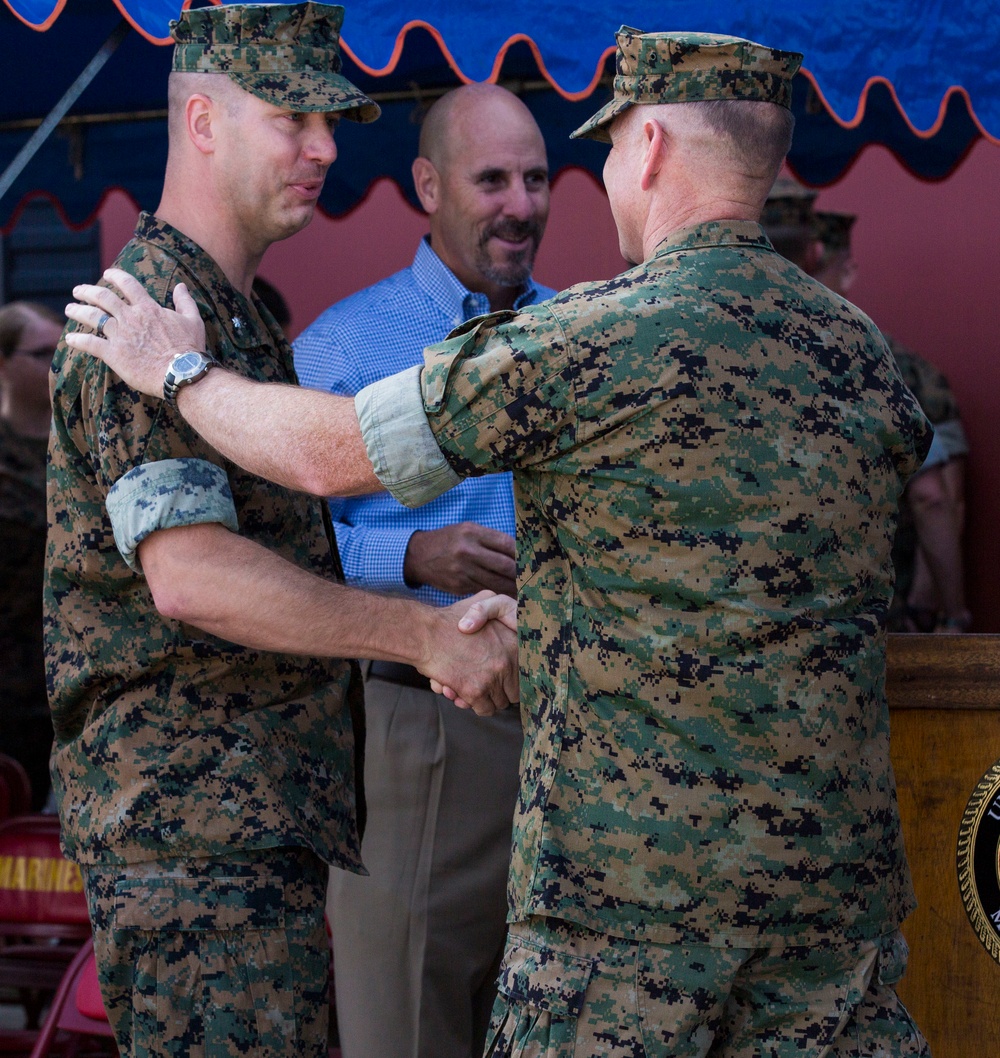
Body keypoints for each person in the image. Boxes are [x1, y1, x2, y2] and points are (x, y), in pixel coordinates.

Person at [66, 25, 934, 1057]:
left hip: (628, 909)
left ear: (646, 146)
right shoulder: (867, 361)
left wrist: (178, 374)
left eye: (597, 151)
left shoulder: (586, 337)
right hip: (829, 901)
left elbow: (325, 457)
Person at [44, 6, 517, 1058]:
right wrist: (421, 634)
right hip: (193, 842)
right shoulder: (137, 318)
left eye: (331, 119)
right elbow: (194, 575)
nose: (326, 147)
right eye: (294, 116)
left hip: (250, 829)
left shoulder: (234, 319)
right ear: (202, 119)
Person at [293, 82, 553, 1058]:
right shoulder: (340, 348)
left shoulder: (583, 340)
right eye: (492, 179)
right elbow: (279, 550)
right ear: (427, 186)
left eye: (536, 177)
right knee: (407, 1019)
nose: (520, 204)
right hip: (419, 722)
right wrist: (411, 553)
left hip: (578, 732)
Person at [812, 210, 972, 632]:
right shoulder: (885, 367)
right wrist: (945, 613)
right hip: (871, 618)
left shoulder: (904, 372)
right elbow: (937, 499)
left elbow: (942, 499)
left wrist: (925, 601)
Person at [0, 301, 61, 810]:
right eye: (43, 353)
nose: (57, 364)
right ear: (4, 364)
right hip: (10, 699)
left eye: (64, 350)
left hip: (81, 691)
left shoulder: (86, 443)